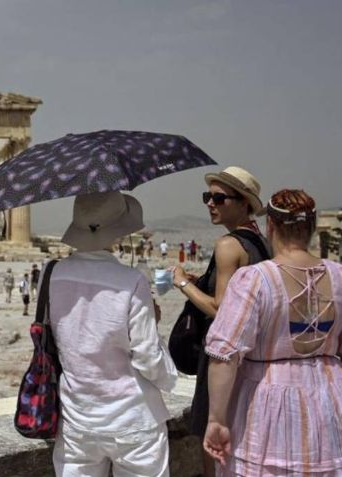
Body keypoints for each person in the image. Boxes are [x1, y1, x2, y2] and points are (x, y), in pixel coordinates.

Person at [204, 189, 342, 476]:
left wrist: (216, 418)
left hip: (266, 400)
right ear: (312, 228)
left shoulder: (255, 279)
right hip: (330, 397)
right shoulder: (338, 275)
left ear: (271, 226)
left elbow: (224, 354)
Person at [50, 191, 177, 476]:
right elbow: (147, 356)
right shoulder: (131, 281)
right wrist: (169, 377)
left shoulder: (53, 274)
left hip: (77, 418)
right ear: (119, 230)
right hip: (132, 419)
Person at [171, 166, 270, 477]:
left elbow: (221, 310)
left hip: (221, 357)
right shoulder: (261, 243)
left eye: (219, 198)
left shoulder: (228, 245)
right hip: (253, 357)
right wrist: (203, 280)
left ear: (244, 203)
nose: (210, 204)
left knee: (210, 442)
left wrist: (182, 284)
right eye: (207, 197)